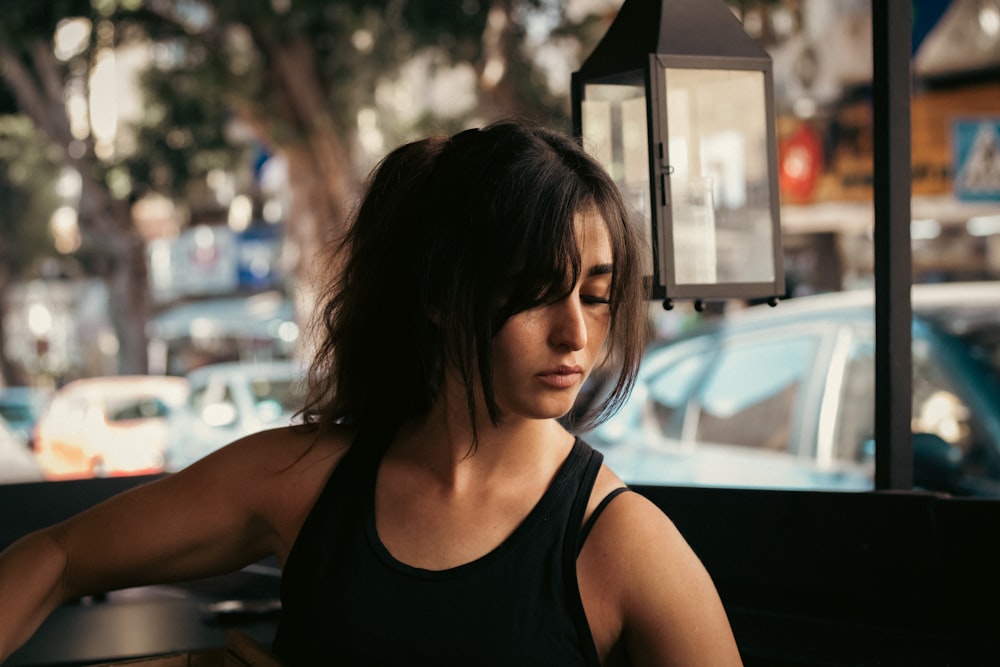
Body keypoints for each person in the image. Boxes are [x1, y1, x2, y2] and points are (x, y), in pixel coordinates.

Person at [0, 120, 742, 666]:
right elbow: (56, 556)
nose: (575, 332)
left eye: (597, 293)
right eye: (534, 293)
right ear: (440, 294)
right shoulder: (307, 480)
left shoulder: (622, 543)